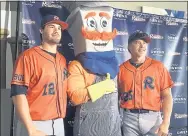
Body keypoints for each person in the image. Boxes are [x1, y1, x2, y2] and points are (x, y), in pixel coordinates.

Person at [64, 2, 122, 136]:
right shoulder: (77, 65)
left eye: (103, 24)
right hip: (88, 126)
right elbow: (75, 97)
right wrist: (100, 88)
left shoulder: (113, 63)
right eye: (91, 24)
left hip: (113, 125)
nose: (101, 33)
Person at [11, 7, 69, 136]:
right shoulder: (28, 56)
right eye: (52, 27)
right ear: (41, 30)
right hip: (35, 123)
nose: (57, 31)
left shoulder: (62, 60)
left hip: (59, 123)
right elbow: (17, 93)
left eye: (59, 28)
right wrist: (31, 129)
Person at [118, 30, 174, 136]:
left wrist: (166, 122)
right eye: (138, 42)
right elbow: (116, 97)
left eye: (144, 43)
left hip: (153, 119)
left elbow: (167, 96)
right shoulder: (121, 69)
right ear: (129, 47)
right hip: (129, 119)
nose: (142, 46)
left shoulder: (158, 67)